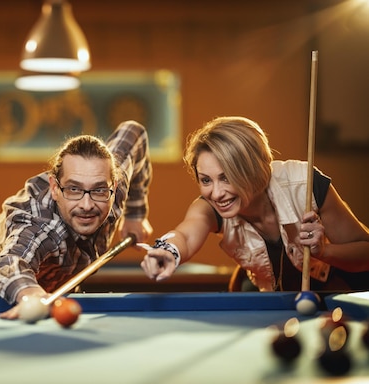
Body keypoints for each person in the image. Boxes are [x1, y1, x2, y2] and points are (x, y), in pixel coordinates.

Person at [141, 116, 369, 292]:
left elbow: (365, 253)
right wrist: (168, 251)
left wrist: (324, 251)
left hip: (340, 292)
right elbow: (185, 236)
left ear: (254, 169)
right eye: (206, 180)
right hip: (268, 296)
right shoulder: (208, 208)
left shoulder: (306, 184)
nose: (217, 193)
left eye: (227, 177)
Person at [0, 120, 154, 319]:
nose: (87, 205)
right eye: (74, 189)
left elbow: (134, 133)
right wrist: (30, 293)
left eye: (98, 190)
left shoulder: (112, 183)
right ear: (55, 188)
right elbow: (9, 262)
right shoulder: (42, 225)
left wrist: (135, 214)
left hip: (56, 283)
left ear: (114, 186)